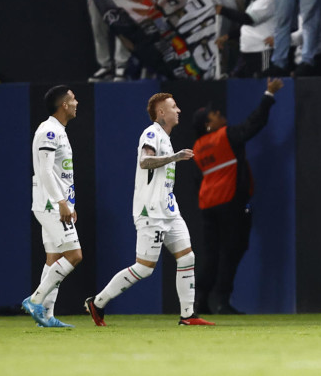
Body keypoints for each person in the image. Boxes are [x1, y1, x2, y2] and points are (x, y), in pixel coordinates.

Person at [85, 93, 214, 326]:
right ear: (161, 113)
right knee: (145, 269)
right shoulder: (152, 133)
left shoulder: (165, 136)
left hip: (169, 209)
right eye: (173, 107)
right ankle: (98, 302)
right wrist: (175, 157)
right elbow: (145, 161)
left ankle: (187, 315)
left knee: (187, 256)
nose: (179, 110)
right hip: (150, 211)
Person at [190, 78, 284, 315]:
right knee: (231, 251)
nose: (219, 114)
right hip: (230, 202)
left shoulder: (198, 146)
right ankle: (222, 301)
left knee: (210, 254)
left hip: (208, 204)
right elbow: (254, 123)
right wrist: (268, 95)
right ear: (208, 125)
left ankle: (200, 300)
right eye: (213, 115)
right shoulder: (225, 136)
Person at [22, 86, 82, 328]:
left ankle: (45, 316)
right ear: (64, 105)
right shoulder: (49, 131)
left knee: (54, 258)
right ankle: (35, 300)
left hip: (54, 202)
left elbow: (59, 172)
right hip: (50, 204)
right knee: (74, 255)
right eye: (73, 99)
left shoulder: (58, 130)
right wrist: (61, 202)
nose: (77, 102)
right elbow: (45, 170)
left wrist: (68, 201)